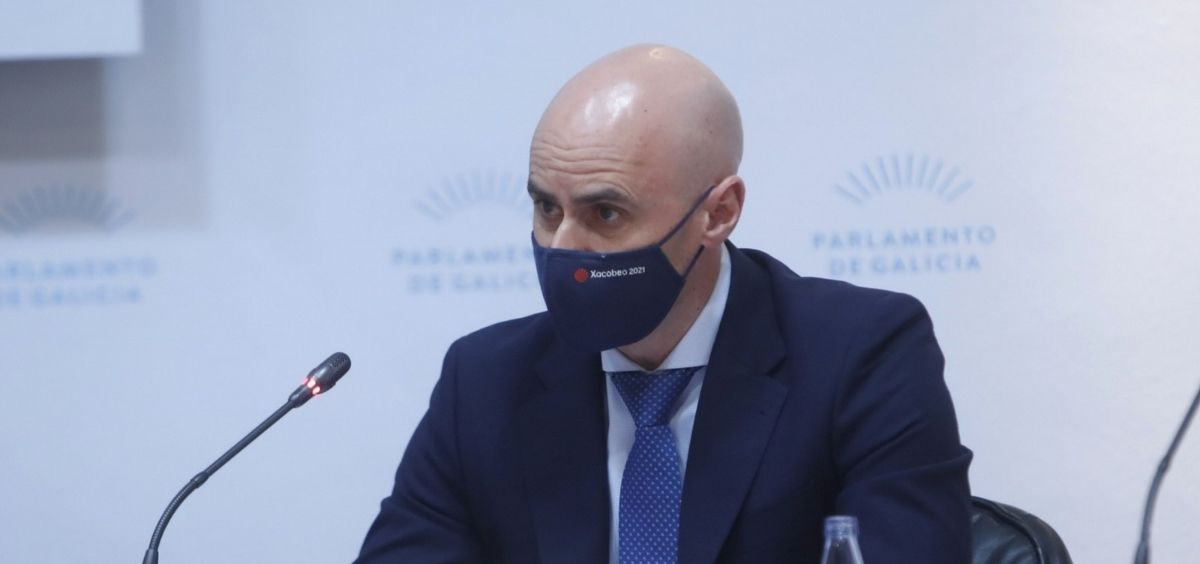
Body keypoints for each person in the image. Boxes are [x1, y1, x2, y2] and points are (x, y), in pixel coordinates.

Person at [356, 44, 972, 564]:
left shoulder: (861, 354)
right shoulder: (486, 381)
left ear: (719, 212)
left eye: (606, 213)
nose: (563, 248)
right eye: (546, 208)